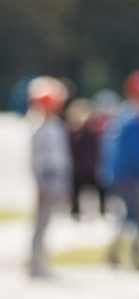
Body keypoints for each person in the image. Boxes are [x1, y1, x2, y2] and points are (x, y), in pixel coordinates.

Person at [100, 70, 139, 271]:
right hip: (130, 177)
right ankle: (136, 257)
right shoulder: (131, 120)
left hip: (130, 176)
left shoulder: (133, 118)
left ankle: (114, 252)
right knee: (136, 217)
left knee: (128, 217)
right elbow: (132, 153)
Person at [26, 76, 72, 278]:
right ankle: (35, 263)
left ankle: (42, 260)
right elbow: (36, 160)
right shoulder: (38, 128)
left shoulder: (55, 126)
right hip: (46, 179)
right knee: (40, 223)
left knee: (48, 223)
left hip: (57, 178)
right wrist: (40, 184)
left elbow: (62, 157)